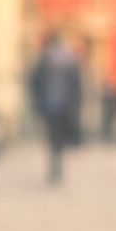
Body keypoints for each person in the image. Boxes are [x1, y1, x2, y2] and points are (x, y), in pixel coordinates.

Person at [29, 30, 83, 184]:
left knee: (52, 137)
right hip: (65, 105)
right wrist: (76, 104)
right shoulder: (69, 59)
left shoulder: (44, 59)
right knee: (59, 137)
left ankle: (54, 164)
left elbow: (35, 82)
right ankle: (58, 163)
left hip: (49, 105)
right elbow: (76, 85)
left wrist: (38, 103)